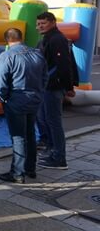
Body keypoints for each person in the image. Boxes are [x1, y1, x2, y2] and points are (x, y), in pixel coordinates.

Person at [0, 28, 48, 183]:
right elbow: (45, 77)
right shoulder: (37, 54)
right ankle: (30, 168)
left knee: (18, 137)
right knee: (30, 133)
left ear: (7, 40)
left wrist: (4, 99)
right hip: (34, 98)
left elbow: (0, 83)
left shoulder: (7, 56)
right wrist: (39, 92)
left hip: (16, 99)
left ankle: (17, 172)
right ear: (21, 37)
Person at [35, 11, 76, 170]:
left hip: (53, 87)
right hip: (47, 86)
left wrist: (69, 87)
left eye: (43, 23)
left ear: (52, 22)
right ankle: (52, 151)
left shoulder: (57, 39)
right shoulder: (48, 38)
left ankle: (59, 158)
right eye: (38, 24)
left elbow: (64, 65)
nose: (39, 27)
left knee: (54, 122)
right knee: (45, 119)